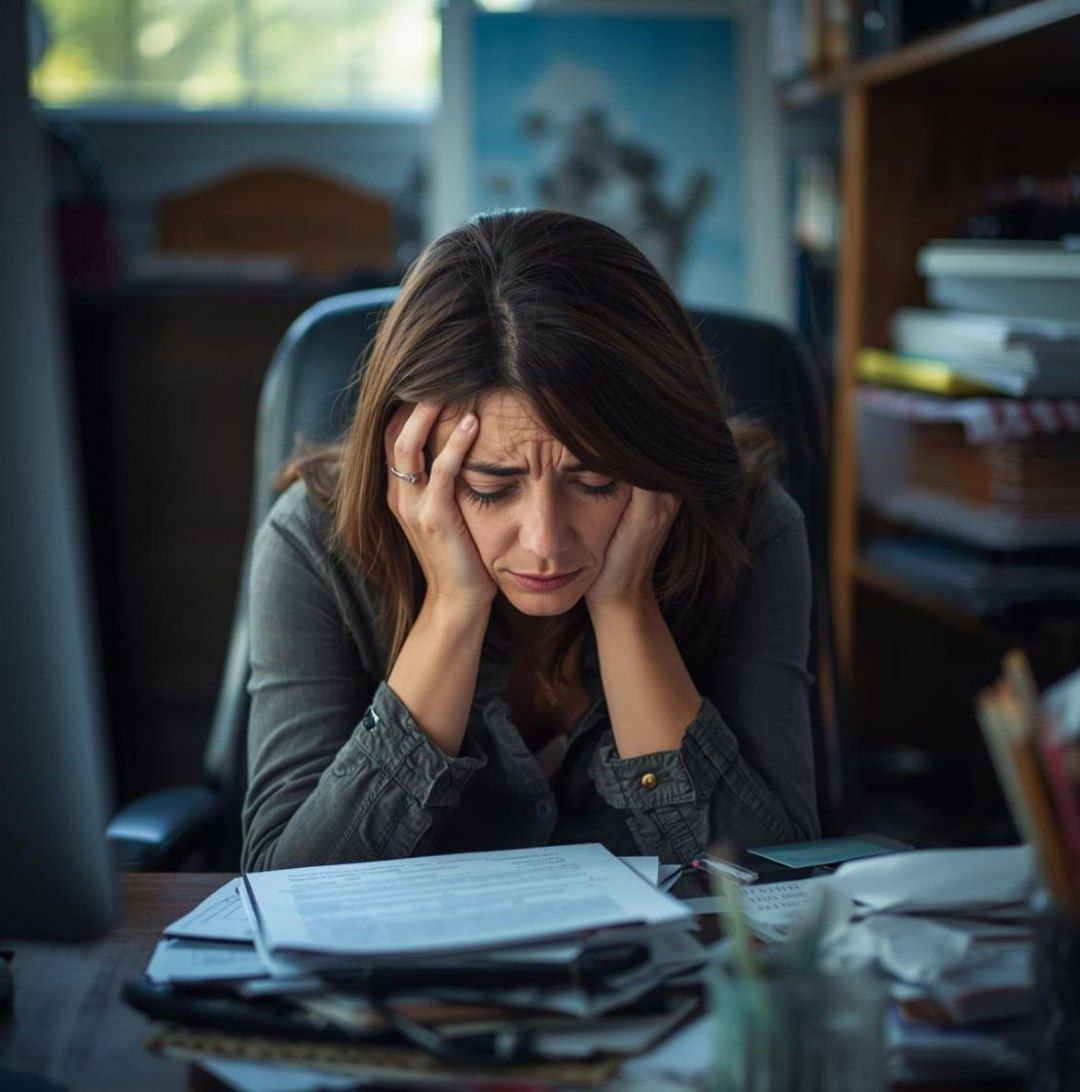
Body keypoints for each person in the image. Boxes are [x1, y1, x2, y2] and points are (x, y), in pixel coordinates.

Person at [241, 208, 820, 872]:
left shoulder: (753, 528)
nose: (545, 541)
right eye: (491, 486)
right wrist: (453, 609)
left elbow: (775, 876)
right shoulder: (313, 542)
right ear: (413, 460)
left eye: (597, 481)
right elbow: (284, 883)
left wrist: (626, 607)